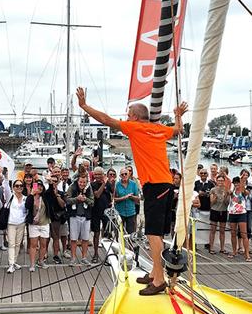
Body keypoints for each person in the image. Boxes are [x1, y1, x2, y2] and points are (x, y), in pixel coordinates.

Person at [76, 86, 187, 295]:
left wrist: (84, 106)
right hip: (165, 184)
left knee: (153, 232)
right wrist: (178, 116)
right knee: (156, 232)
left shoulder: (135, 127)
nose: (126, 117)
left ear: (135, 117)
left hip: (155, 185)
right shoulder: (159, 129)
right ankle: (155, 273)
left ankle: (159, 280)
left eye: (128, 114)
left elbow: (106, 120)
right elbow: (178, 130)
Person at [66, 174, 94, 264]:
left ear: (86, 182)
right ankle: (73, 258)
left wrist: (85, 199)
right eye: (80, 182)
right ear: (77, 181)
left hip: (86, 217)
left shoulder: (89, 189)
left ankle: (84, 257)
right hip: (74, 216)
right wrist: (76, 199)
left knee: (85, 238)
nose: (82, 184)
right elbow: (67, 200)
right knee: (73, 238)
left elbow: (92, 202)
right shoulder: (72, 187)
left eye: (84, 182)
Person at [26, 179, 52, 271]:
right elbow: (27, 206)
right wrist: (32, 194)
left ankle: (41, 261)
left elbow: (51, 191)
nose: (39, 188)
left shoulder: (45, 197)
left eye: (41, 186)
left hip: (44, 223)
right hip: (33, 224)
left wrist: (50, 182)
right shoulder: (31, 197)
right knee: (33, 245)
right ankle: (32, 264)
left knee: (43, 244)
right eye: (37, 186)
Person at [5, 179, 28, 274]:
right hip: (11, 223)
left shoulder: (25, 198)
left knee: (18, 244)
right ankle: (11, 264)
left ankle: (14, 262)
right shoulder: (10, 196)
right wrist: (4, 176)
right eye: (17, 186)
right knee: (11, 243)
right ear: (13, 187)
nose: (19, 187)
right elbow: (5, 185)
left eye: (21, 186)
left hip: (21, 223)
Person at [90, 167, 112, 263]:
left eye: (100, 174)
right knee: (96, 233)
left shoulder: (108, 184)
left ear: (103, 174)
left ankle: (108, 255)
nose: (98, 176)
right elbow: (97, 195)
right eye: (96, 174)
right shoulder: (92, 184)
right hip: (95, 211)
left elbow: (114, 193)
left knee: (107, 234)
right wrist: (104, 183)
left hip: (106, 211)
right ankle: (95, 254)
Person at [46, 168, 68, 264]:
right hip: (46, 217)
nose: (54, 183)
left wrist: (57, 195)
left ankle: (55, 255)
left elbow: (63, 205)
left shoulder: (61, 193)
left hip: (56, 218)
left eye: (55, 181)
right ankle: (45, 252)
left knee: (56, 237)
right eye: (52, 181)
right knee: (45, 238)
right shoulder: (46, 192)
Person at [226, 177, 250, 262]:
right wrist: (230, 192)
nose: (236, 184)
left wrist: (242, 180)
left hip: (241, 214)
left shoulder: (243, 192)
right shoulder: (232, 192)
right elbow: (230, 195)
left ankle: (247, 254)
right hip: (232, 213)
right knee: (233, 234)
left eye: (237, 183)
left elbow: (245, 192)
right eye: (235, 183)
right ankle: (234, 251)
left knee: (244, 234)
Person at [113, 168, 140, 235]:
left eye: (126, 174)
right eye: (122, 174)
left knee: (131, 233)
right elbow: (115, 199)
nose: (124, 175)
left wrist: (131, 197)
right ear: (120, 176)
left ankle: (130, 245)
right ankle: (120, 245)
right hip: (120, 212)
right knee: (119, 233)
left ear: (128, 174)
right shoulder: (117, 185)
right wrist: (124, 198)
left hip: (131, 212)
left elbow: (138, 198)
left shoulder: (133, 184)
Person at [209, 174, 229, 255]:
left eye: (222, 180)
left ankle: (222, 248)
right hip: (214, 210)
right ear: (216, 181)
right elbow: (211, 203)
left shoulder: (226, 190)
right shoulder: (213, 190)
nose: (220, 182)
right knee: (213, 230)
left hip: (223, 211)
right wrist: (215, 197)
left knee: (222, 231)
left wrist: (225, 196)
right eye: (219, 180)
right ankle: (211, 248)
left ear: (224, 181)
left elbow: (227, 203)